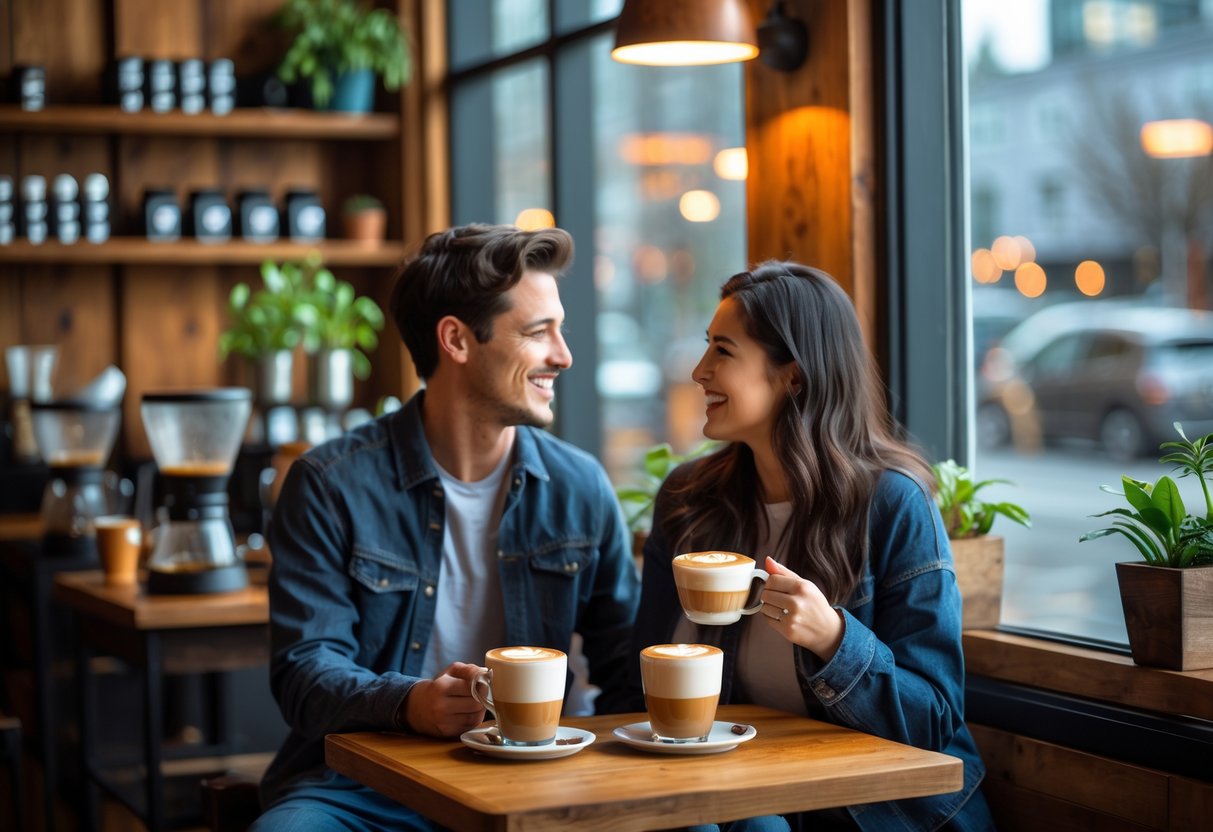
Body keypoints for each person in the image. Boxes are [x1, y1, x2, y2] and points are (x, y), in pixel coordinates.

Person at [255, 224, 640, 830]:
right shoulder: (330, 484)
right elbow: (306, 672)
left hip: (538, 777)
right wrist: (410, 704)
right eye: (539, 332)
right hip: (363, 787)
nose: (563, 355)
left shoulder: (579, 486)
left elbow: (625, 667)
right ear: (456, 339)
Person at [633, 262, 995, 831]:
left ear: (793, 377)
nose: (699, 371)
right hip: (732, 798)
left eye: (723, 351)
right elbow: (641, 680)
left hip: (872, 813)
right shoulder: (689, 500)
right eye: (707, 347)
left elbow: (934, 722)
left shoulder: (892, 504)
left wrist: (833, 638)